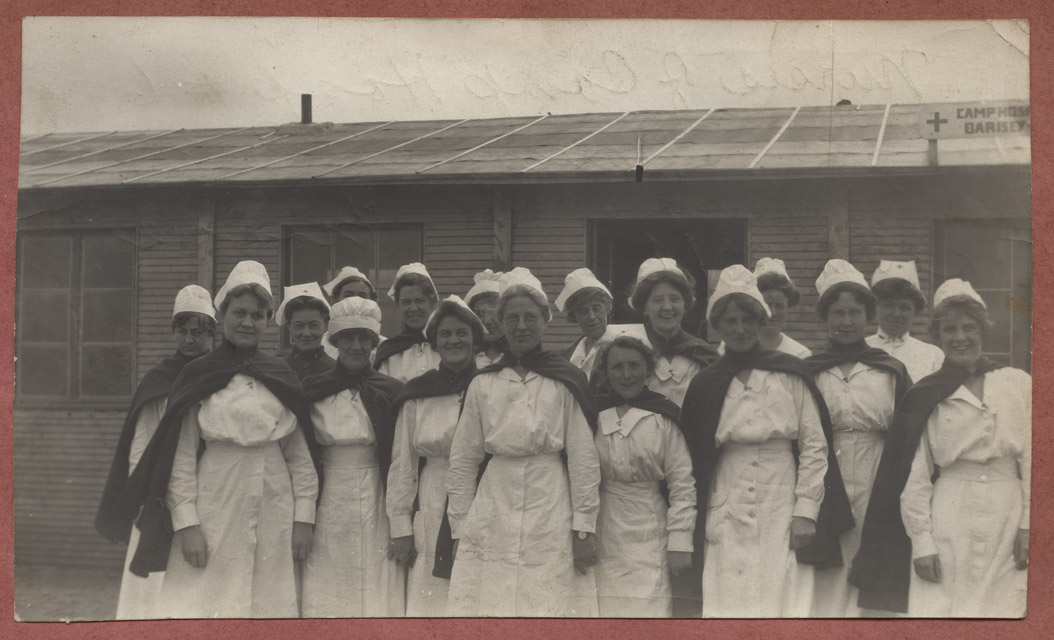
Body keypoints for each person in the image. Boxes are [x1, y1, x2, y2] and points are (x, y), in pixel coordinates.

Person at [102, 260, 320, 618]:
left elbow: (299, 454)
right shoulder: (198, 372)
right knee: (207, 600)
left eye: (257, 315)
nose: (247, 322)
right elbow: (182, 456)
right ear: (223, 314)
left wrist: (304, 518)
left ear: (268, 321)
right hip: (216, 497)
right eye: (239, 313)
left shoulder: (281, 374)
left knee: (267, 600)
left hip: (274, 499)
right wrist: (187, 525)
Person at [678, 265, 853, 618]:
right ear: (718, 325)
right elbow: (691, 458)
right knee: (729, 593)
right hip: (727, 494)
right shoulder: (706, 381)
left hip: (781, 494)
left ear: (760, 321)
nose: (740, 328)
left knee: (784, 594)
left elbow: (814, 445)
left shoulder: (789, 371)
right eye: (730, 321)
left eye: (747, 319)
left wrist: (806, 511)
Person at [850, 279, 1030, 617]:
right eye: (949, 330)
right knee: (943, 611)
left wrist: (1030, 526)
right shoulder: (926, 394)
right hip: (950, 512)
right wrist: (922, 543)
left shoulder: (1016, 383)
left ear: (983, 330)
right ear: (938, 337)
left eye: (968, 327)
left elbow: (1037, 460)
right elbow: (915, 475)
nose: (960, 337)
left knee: (1005, 610)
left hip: (1009, 510)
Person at [445, 267, 602, 617]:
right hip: (495, 499)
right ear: (500, 323)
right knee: (493, 597)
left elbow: (582, 456)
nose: (521, 326)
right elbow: (464, 459)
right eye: (512, 318)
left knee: (548, 597)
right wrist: (460, 527)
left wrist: (583, 527)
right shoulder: (483, 382)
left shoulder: (565, 378)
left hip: (551, 500)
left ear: (545, 321)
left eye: (530, 317)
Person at [96, 284, 216, 620]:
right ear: (173, 332)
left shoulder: (218, 374)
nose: (190, 339)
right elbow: (142, 444)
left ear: (211, 335)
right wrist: (146, 497)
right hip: (161, 493)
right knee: (154, 593)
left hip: (211, 489)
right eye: (183, 330)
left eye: (198, 332)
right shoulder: (161, 379)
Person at [804, 260, 910, 617]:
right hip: (825, 472)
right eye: (837, 313)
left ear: (868, 316)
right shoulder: (811, 369)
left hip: (877, 471)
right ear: (825, 317)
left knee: (873, 559)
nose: (846, 321)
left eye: (854, 312)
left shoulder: (887, 368)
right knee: (830, 571)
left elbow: (905, 433)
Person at [299, 297, 406, 616]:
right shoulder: (313, 389)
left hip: (377, 492)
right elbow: (302, 454)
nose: (356, 346)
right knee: (331, 579)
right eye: (348, 338)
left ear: (374, 343)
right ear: (335, 342)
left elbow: (400, 458)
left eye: (364, 339)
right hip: (329, 493)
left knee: (376, 576)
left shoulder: (391, 389)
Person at [387, 295, 486, 616]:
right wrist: (400, 525)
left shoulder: (489, 384)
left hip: (485, 493)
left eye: (461, 333)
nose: (454, 340)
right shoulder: (419, 391)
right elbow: (403, 463)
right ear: (434, 342)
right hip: (432, 498)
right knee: (432, 597)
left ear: (474, 339)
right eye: (445, 334)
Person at [592, 336, 696, 617]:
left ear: (648, 370)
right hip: (605, 526)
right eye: (618, 367)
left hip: (651, 531)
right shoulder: (594, 415)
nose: (626, 375)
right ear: (607, 371)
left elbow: (682, 484)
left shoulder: (664, 416)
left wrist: (679, 542)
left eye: (634, 366)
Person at [628, 258, 718, 407]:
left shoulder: (704, 354)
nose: (667, 307)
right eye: (658, 300)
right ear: (644, 307)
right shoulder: (631, 353)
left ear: (685, 304)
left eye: (674, 299)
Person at [866, 260, 944, 382]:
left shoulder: (932, 355)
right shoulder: (862, 350)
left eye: (904, 308)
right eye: (888, 305)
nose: (896, 314)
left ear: (915, 312)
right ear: (876, 307)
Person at [718, 257, 812, 358]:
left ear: (788, 308)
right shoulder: (730, 348)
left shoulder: (800, 354)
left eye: (780, 306)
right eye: (767, 305)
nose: (773, 312)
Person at [375, 262, 441, 381]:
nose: (413, 308)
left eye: (420, 301)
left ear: (432, 303)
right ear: (398, 305)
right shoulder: (389, 352)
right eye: (406, 302)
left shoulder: (446, 344)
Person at [555, 267, 616, 385]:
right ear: (575, 317)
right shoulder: (567, 354)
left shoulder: (621, 345)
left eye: (596, 308)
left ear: (607, 309)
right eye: (583, 311)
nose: (592, 316)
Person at [276, 282, 336, 380]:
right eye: (299, 326)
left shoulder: (335, 371)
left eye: (314, 325)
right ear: (289, 328)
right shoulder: (278, 369)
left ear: (325, 326)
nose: (306, 333)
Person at [465, 269, 506, 367]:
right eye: (479, 314)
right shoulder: (465, 358)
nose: (487, 321)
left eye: (495, 313)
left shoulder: (520, 356)